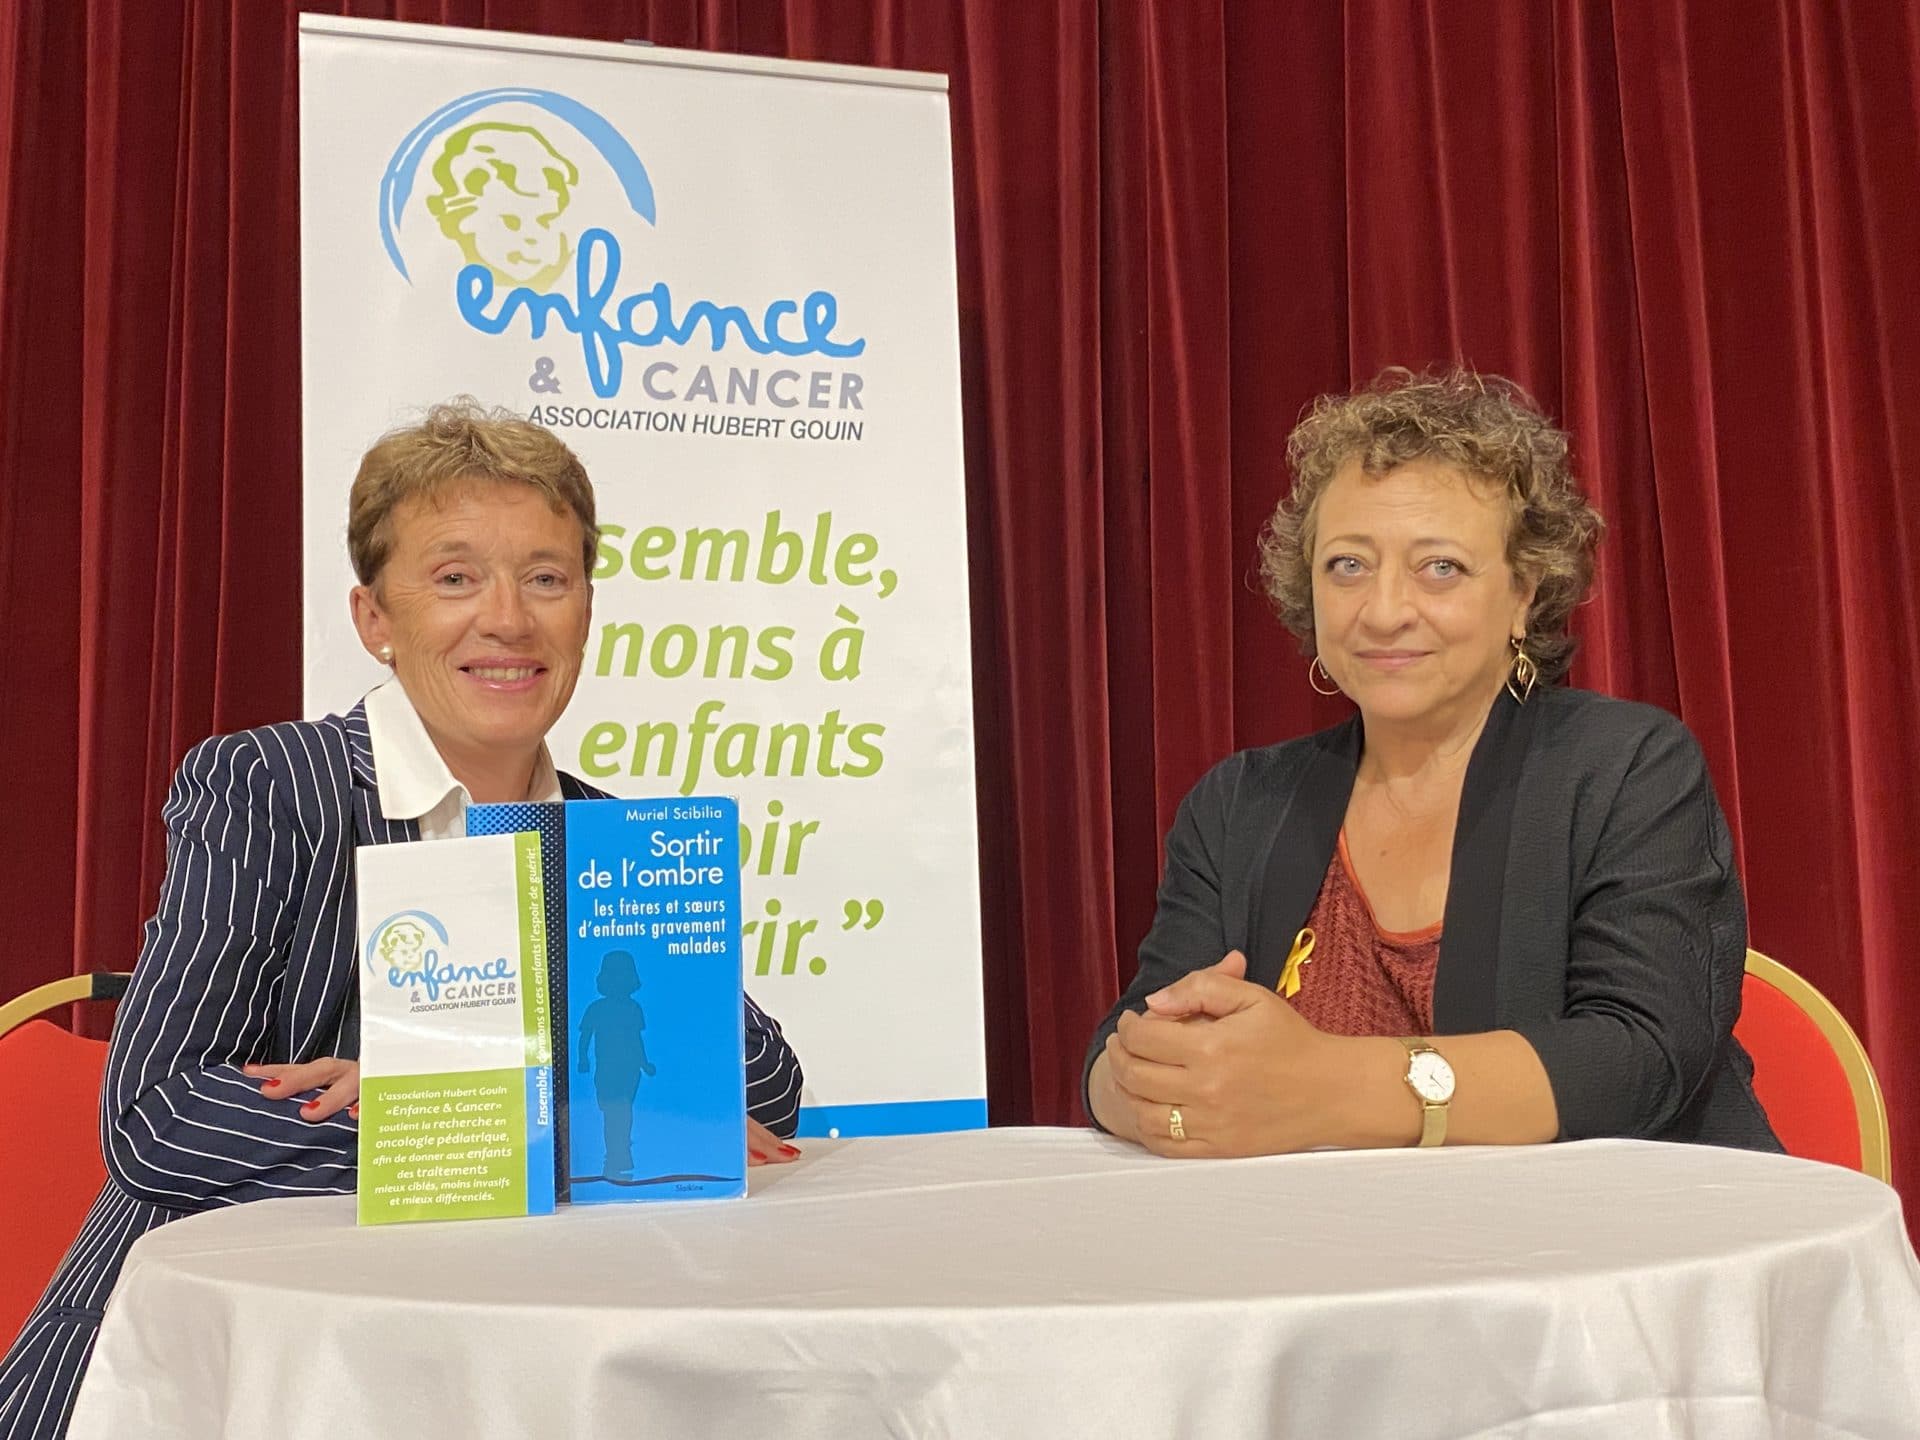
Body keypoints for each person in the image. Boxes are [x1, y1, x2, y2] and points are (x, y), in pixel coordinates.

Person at [0, 401, 806, 1439]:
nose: (508, 619)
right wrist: (521, 1129)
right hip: (214, 1373)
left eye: (547, 578)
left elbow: (765, 1093)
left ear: (586, 612)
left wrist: (484, 1094)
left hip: (489, 1370)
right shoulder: (272, 785)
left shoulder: (605, 834)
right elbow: (158, 1116)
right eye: (456, 577)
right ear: (375, 619)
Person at [1086, 367, 1778, 1159]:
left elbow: (1641, 1059)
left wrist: (1324, 1087)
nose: (1384, 611)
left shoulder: (1627, 769)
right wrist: (1151, 1086)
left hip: (1617, 1224)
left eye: (1439, 567)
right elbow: (1122, 1047)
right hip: (1333, 1231)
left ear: (1524, 592)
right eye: (1348, 565)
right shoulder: (1240, 803)